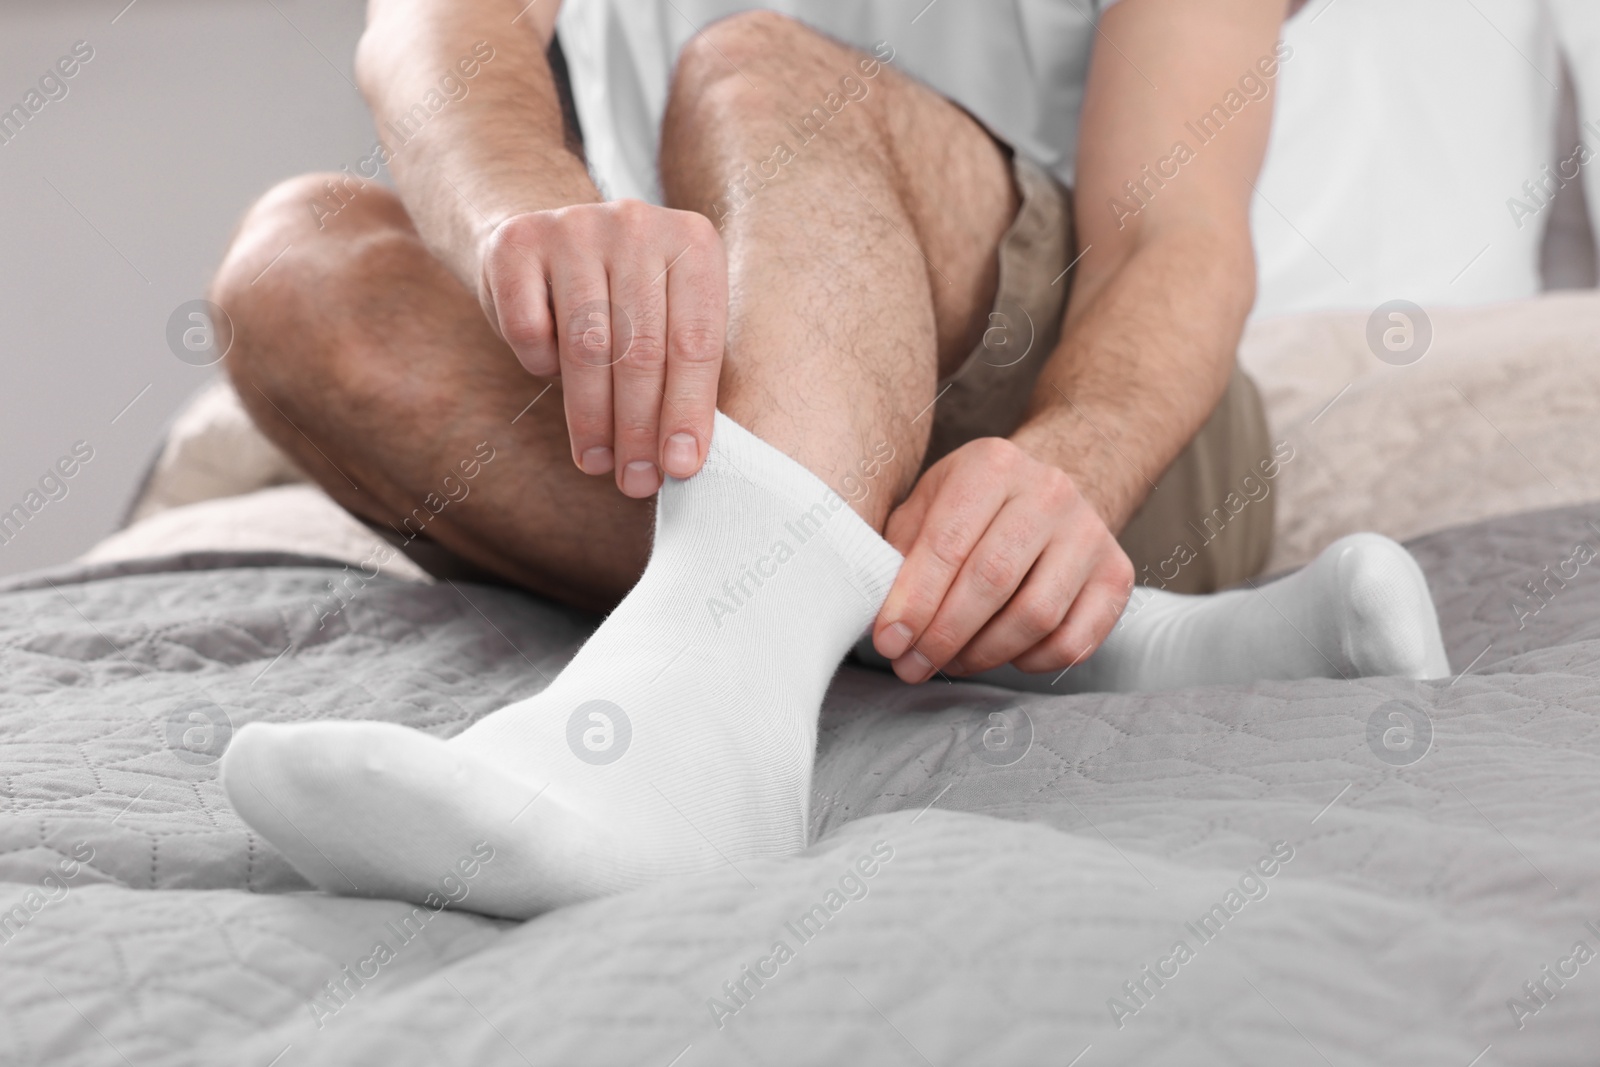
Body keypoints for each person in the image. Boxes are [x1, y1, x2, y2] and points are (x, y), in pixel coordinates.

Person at [215, 0, 1447, 918]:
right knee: (294, 267)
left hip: (1082, 418)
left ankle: (691, 756)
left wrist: (1070, 463)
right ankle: (1124, 646)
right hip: (735, 395)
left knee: (757, 71)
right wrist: (521, 201)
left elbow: (1173, 237)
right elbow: (425, 31)